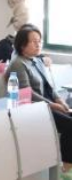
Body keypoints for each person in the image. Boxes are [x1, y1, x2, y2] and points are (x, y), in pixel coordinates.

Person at [6, 26, 72, 171]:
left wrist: (59, 100)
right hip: (35, 108)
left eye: (40, 41)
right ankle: (66, 165)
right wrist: (52, 105)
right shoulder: (18, 63)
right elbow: (27, 92)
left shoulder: (37, 61)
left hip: (49, 104)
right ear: (22, 45)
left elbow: (50, 87)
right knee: (70, 124)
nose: (38, 45)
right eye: (34, 42)